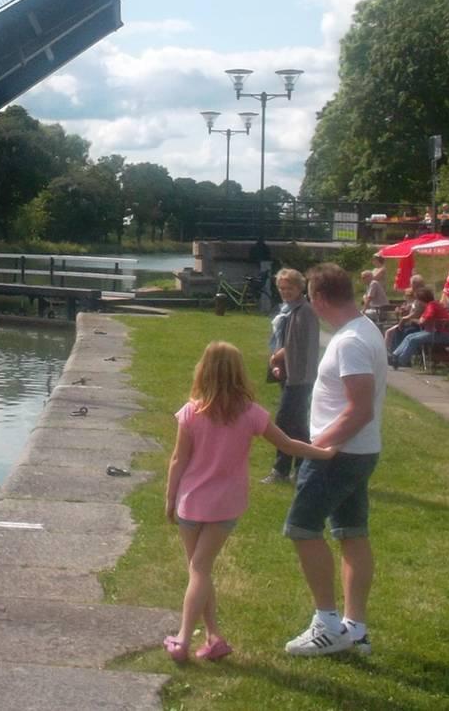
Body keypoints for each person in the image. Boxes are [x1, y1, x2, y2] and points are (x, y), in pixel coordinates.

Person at [163, 341, 335, 663]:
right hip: (227, 505)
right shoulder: (251, 414)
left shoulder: (191, 413)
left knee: (198, 569)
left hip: (191, 501)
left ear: (203, 371)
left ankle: (183, 638)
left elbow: (177, 460)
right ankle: (214, 637)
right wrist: (322, 452)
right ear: (238, 373)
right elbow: (287, 444)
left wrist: (170, 497)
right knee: (201, 570)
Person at [282, 263, 387, 658]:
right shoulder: (362, 331)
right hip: (356, 452)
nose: (310, 303)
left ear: (322, 298)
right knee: (351, 532)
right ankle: (355, 630)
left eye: (311, 296)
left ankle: (326, 624)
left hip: (338, 455)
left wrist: (313, 447)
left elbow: (359, 410)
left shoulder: (350, 342)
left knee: (302, 529)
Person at [263, 269, 321, 485]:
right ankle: (297, 469)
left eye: (290, 288)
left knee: (286, 421)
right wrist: (277, 365)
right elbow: (281, 340)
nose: (285, 292)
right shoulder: (288, 310)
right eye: (281, 288)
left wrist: (276, 357)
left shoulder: (304, 311)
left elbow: (294, 345)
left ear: (300, 288)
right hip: (289, 372)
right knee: (295, 423)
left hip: (301, 375)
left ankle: (287, 469)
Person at [389, 287, 449, 369]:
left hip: (439, 334)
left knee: (413, 340)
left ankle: (400, 361)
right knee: (409, 336)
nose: (417, 302)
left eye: (418, 299)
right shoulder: (433, 304)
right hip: (434, 332)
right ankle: (395, 355)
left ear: (422, 300)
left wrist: (413, 320)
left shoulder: (431, 306)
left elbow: (423, 321)